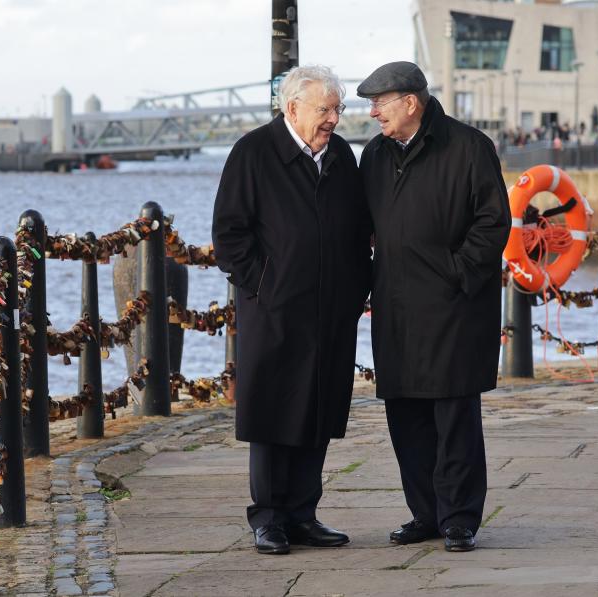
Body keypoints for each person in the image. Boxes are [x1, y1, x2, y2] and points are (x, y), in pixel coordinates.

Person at [211, 65, 371, 555]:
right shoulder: (254, 153)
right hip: (275, 310)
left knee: (317, 412)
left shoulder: (341, 155)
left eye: (338, 109)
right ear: (293, 108)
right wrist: (265, 284)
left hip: (331, 310)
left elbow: (360, 227)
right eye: (325, 109)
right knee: (273, 414)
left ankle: (303, 514)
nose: (334, 119)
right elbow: (229, 234)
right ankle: (269, 518)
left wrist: (357, 285)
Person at [356, 61, 509, 552]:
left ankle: (460, 518)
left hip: (454, 308)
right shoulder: (374, 155)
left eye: (381, 102)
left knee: (453, 413)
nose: (374, 112)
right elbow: (362, 226)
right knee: (405, 416)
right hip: (396, 307)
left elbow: (492, 222)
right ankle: (425, 513)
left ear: (410, 102)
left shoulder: (469, 147)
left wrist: (458, 272)